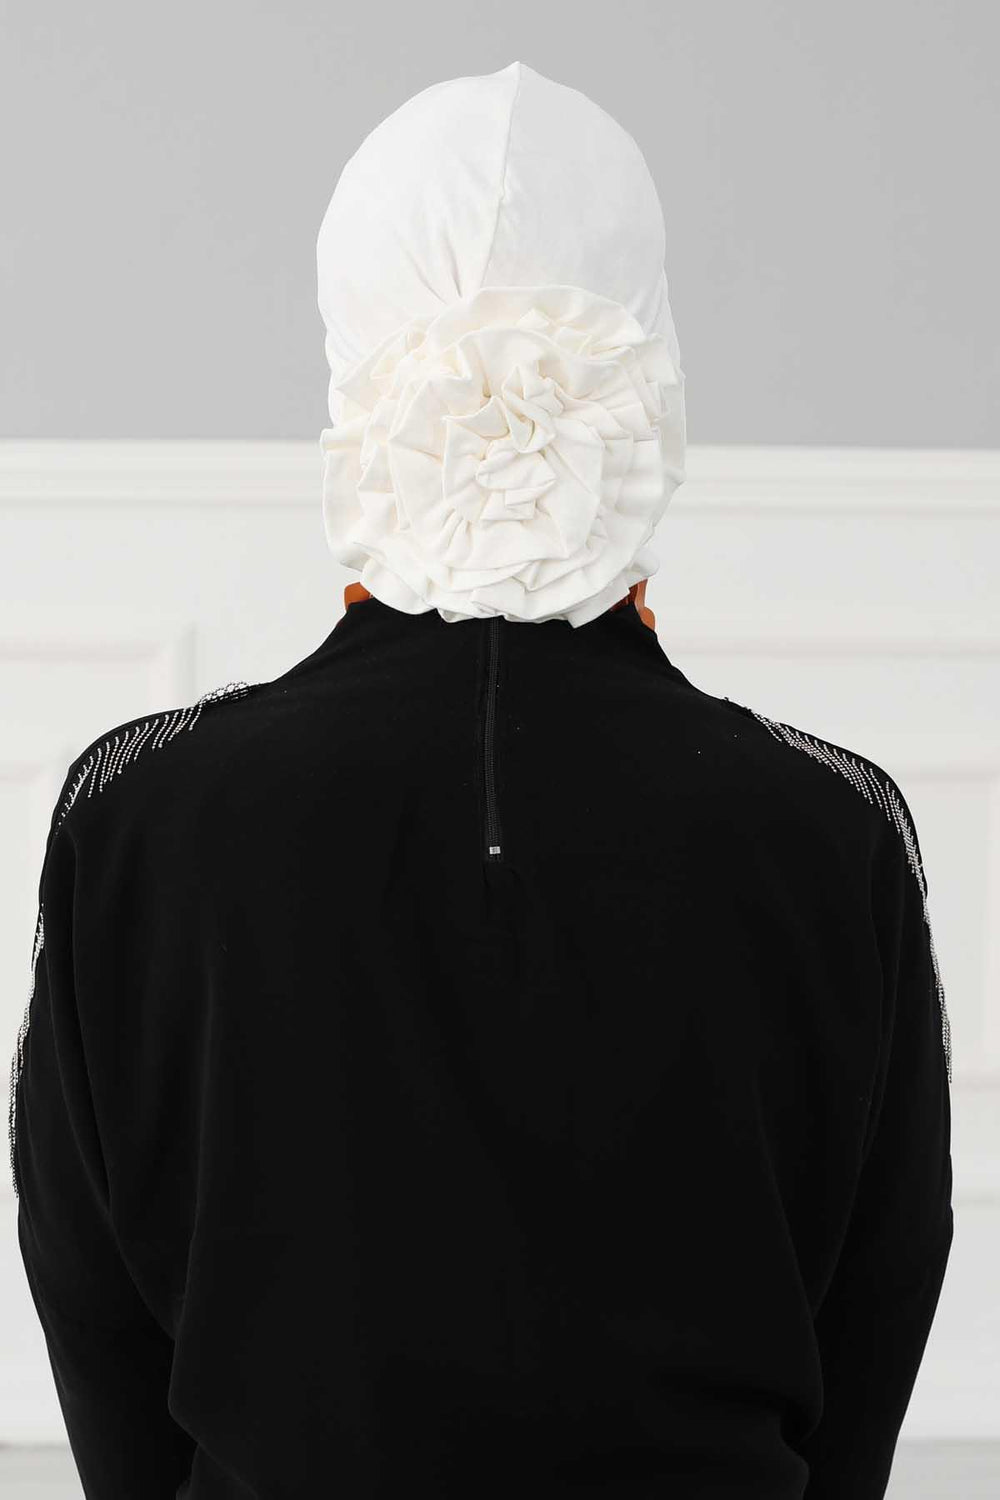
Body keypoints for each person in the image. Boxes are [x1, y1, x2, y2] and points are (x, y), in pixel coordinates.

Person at [10, 61, 953, 1500]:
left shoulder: (133, 814)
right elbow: (868, 1349)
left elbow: (104, 1343)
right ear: (655, 377)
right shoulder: (837, 829)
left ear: (351, 371)